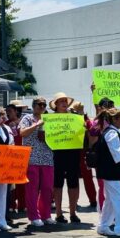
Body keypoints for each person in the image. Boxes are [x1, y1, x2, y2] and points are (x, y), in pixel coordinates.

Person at [94, 108, 120, 238]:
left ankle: (104, 226)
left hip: (110, 171)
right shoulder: (111, 133)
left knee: (111, 200)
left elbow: (116, 149)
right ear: (115, 119)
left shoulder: (112, 132)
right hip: (112, 171)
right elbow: (115, 152)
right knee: (119, 199)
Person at [18, 97, 55, 228]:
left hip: (47, 157)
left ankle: (46, 214)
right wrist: (36, 125)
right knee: (32, 188)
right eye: (39, 104)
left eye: (44, 105)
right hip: (32, 157)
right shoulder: (27, 118)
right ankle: (33, 216)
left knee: (47, 188)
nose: (42, 107)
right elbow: (22, 133)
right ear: (33, 106)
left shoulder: (49, 119)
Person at [50, 93, 82, 224]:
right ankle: (58, 213)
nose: (64, 103)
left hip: (73, 153)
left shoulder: (75, 117)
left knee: (73, 183)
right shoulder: (50, 119)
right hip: (57, 153)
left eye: (65, 101)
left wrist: (81, 117)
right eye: (61, 101)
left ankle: (73, 212)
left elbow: (81, 133)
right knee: (58, 183)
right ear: (56, 104)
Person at [4, 103, 26, 217]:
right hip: (10, 156)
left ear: (16, 112)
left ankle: (23, 205)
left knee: (21, 182)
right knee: (11, 183)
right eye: (7, 111)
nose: (8, 113)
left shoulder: (23, 123)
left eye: (10, 111)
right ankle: (12, 205)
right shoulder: (4, 124)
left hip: (22, 155)